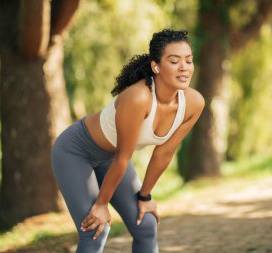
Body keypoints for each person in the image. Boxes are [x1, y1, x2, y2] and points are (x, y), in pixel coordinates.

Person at [51, 29, 205, 253]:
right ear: (156, 66)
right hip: (76, 151)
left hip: (112, 159)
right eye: (174, 61)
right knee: (95, 230)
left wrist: (145, 196)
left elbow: (164, 153)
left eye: (188, 61)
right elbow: (124, 156)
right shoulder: (138, 97)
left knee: (146, 224)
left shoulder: (193, 103)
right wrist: (101, 205)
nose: (184, 67)